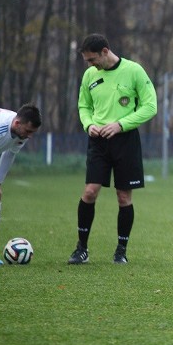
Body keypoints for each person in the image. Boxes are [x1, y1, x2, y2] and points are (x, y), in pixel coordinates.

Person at [68, 34, 157, 265]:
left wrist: (120, 124)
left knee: (124, 196)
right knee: (89, 191)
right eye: (87, 61)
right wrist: (89, 125)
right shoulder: (90, 75)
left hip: (126, 140)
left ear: (105, 51)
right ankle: (81, 249)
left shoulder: (134, 71)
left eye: (92, 59)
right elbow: (84, 106)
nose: (90, 65)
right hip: (98, 143)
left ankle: (121, 250)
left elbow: (150, 106)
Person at [0, 104, 42, 265]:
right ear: (17, 123)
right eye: (28, 131)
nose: (29, 136)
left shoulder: (21, 133)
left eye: (32, 132)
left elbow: (9, 154)